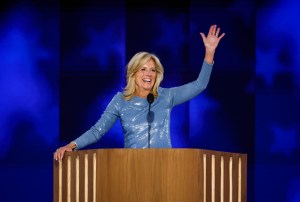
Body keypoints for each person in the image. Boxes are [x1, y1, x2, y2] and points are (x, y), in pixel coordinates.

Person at [54, 24, 225, 161]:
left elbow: (199, 86)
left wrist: (209, 53)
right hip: (133, 170)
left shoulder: (166, 96)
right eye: (143, 69)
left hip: (167, 168)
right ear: (133, 73)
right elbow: (97, 131)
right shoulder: (120, 100)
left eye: (152, 70)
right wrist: (72, 145)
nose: (148, 74)